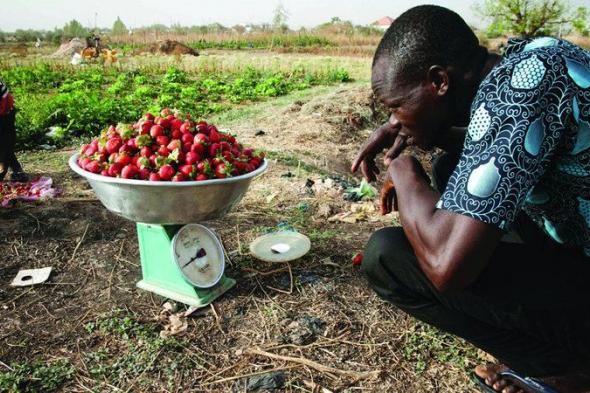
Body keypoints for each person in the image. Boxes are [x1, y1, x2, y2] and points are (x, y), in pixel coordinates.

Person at [352, 5, 590, 393]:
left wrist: (403, 169)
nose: (394, 121)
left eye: (396, 106)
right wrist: (427, 131)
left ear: (439, 81)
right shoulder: (531, 60)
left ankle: (568, 368)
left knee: (386, 256)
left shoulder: (513, 93)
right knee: (452, 168)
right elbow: (509, 144)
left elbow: (447, 269)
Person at [0, 79, 27, 182]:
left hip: (5, 111)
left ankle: (14, 169)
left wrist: (3, 166)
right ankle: (16, 169)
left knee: (5, 141)